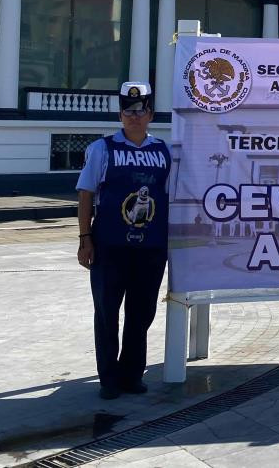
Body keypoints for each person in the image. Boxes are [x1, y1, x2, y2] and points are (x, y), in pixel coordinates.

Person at [76, 82, 171, 400]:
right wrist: (85, 238)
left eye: (140, 110)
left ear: (150, 114)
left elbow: (174, 197)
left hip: (151, 248)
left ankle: (132, 374)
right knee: (107, 312)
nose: (134, 116)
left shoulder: (164, 152)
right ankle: (109, 379)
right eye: (128, 111)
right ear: (120, 115)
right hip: (109, 247)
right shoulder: (102, 149)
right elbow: (86, 194)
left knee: (141, 313)